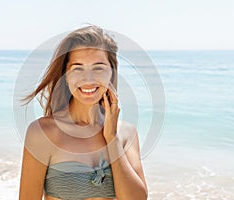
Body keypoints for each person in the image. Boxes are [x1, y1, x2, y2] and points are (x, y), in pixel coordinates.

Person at [19, 25, 148, 200]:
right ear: (66, 75)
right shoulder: (43, 132)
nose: (88, 79)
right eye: (78, 68)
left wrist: (111, 138)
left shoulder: (126, 133)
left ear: (112, 72)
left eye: (98, 68)